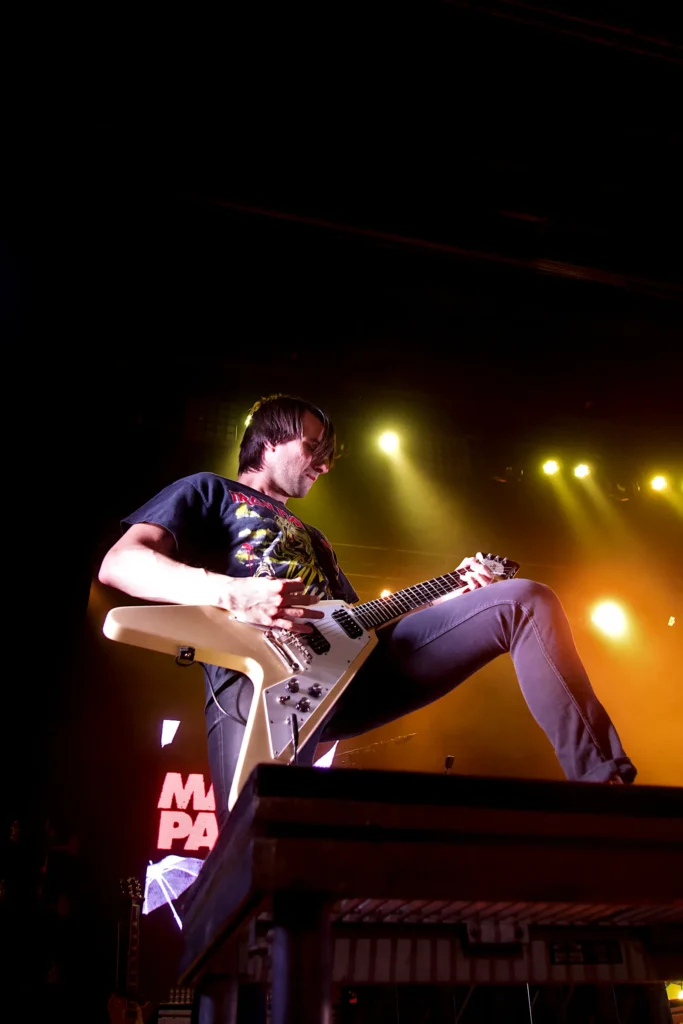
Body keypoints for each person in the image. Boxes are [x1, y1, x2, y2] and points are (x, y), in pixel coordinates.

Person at [99, 394, 636, 826]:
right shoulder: (208, 491)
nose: (324, 463)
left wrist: (450, 597)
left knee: (524, 601)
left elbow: (360, 627)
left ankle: (602, 786)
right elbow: (120, 564)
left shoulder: (317, 538)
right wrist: (234, 593)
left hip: (350, 674)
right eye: (313, 446)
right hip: (261, 682)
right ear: (270, 438)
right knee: (256, 843)